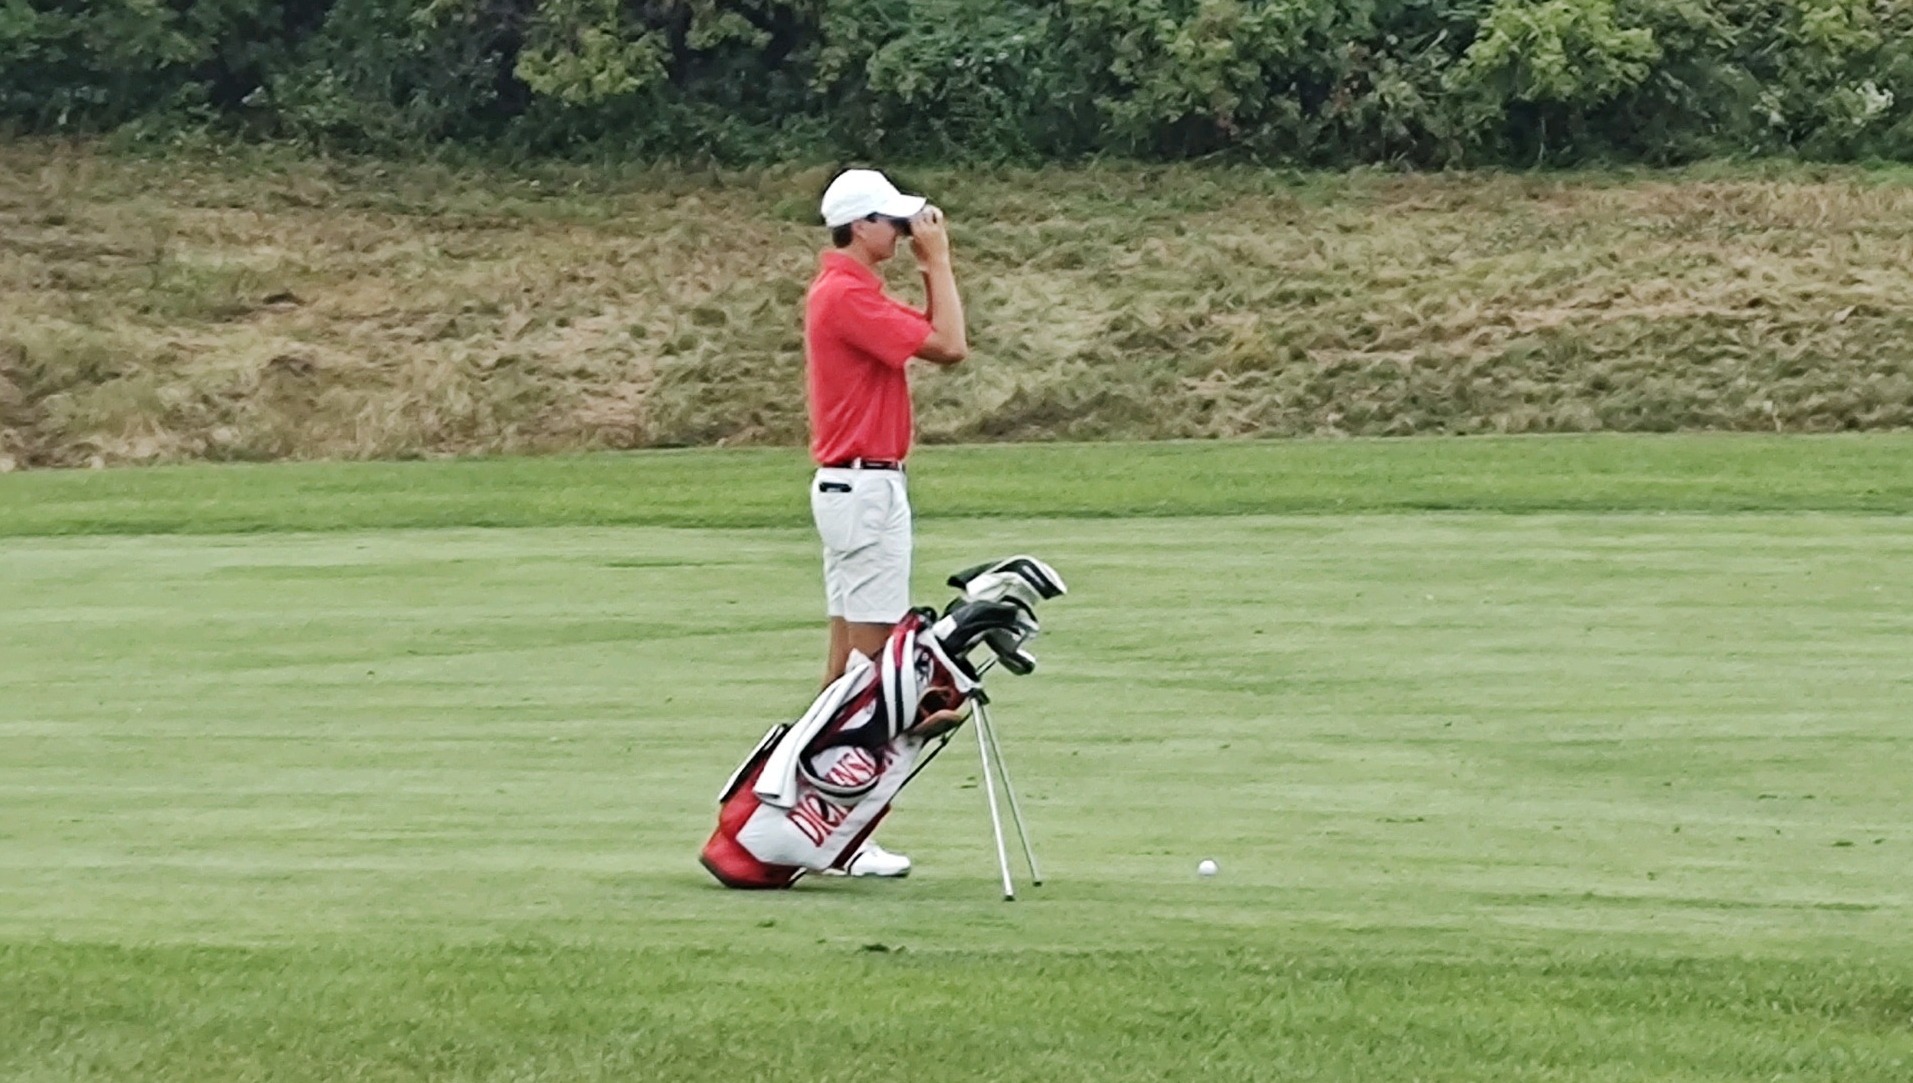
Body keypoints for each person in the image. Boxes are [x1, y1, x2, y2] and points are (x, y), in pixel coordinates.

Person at [802, 167, 968, 878]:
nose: (902, 233)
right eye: (892, 224)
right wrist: (939, 264)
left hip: (857, 489)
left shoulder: (849, 290)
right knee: (876, 681)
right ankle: (847, 832)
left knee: (845, 672)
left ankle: (816, 820)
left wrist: (926, 263)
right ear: (861, 226)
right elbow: (950, 346)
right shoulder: (845, 296)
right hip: (863, 491)